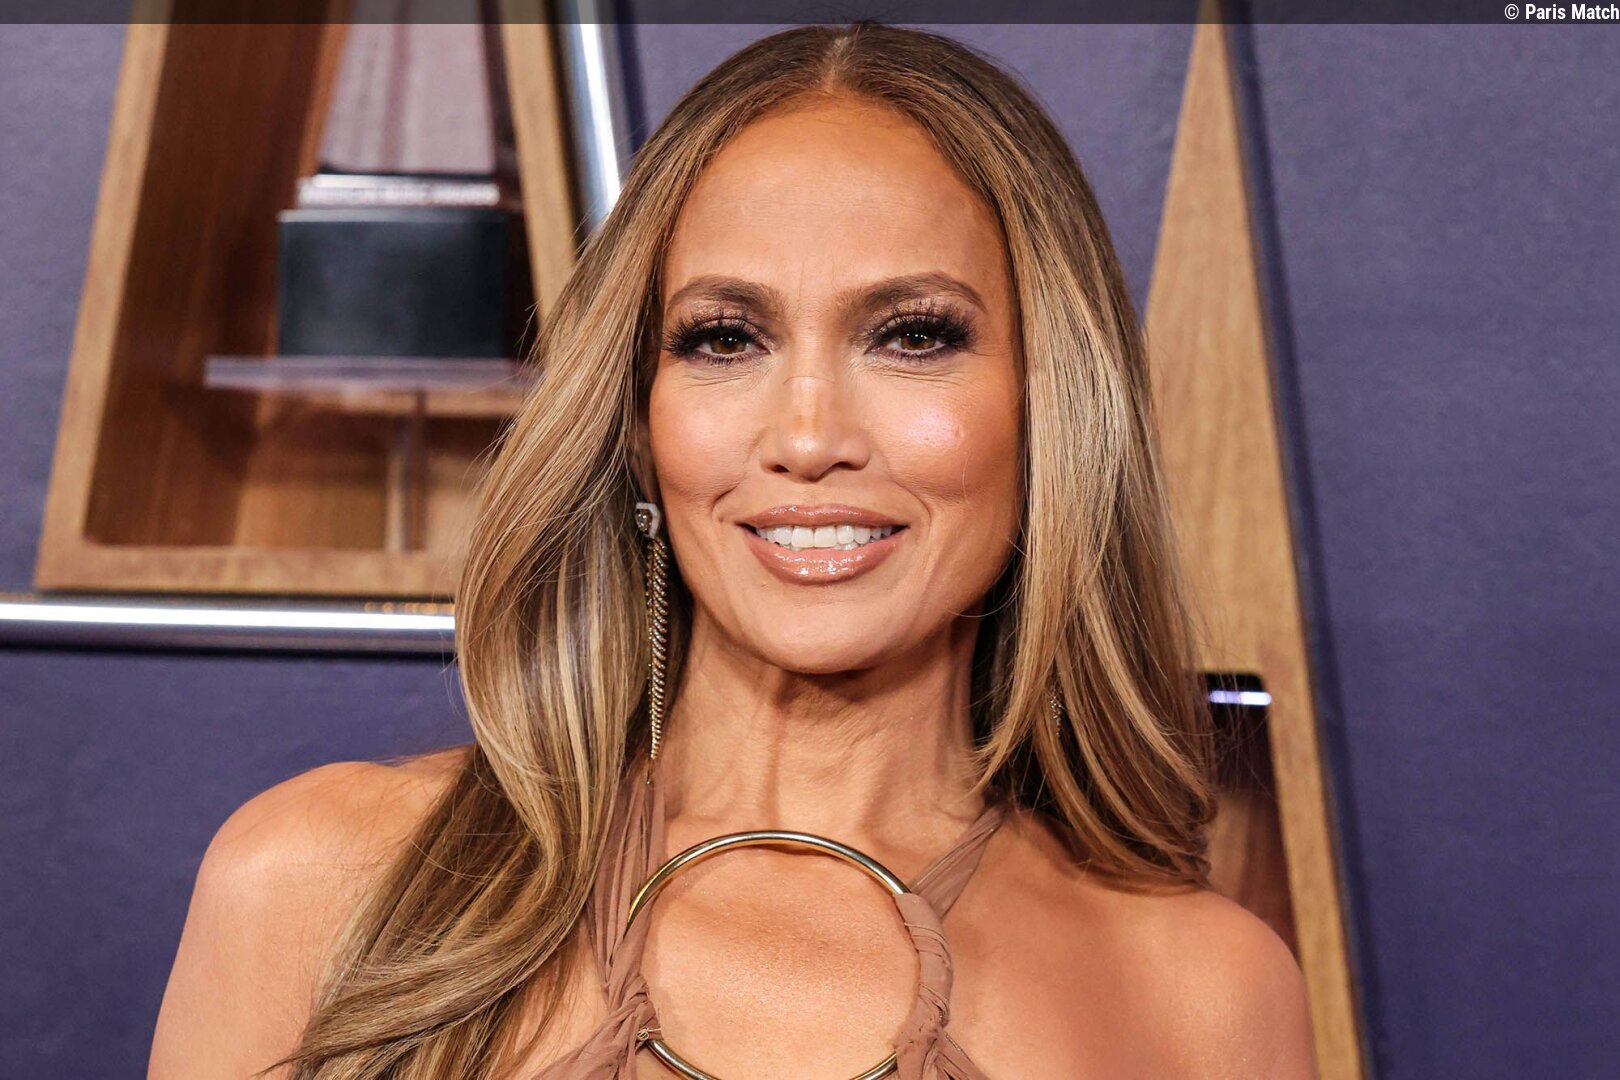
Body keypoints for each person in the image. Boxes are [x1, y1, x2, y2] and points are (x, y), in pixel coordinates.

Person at [149, 21, 1316, 1080]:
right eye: (724, 339)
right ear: (637, 418)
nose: (807, 437)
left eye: (913, 335)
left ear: (1051, 406)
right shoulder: (319, 884)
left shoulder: (1204, 1000)